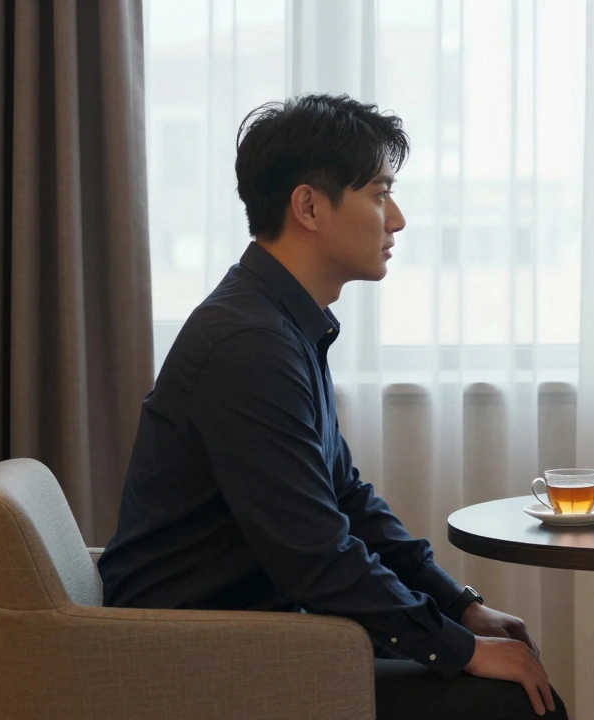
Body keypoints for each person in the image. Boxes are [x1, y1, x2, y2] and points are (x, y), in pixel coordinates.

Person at [99, 94, 566, 720]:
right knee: (514, 701)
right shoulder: (249, 345)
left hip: (253, 632)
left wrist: (459, 606)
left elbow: (346, 500)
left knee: (514, 686)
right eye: (379, 193)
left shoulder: (279, 326)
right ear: (309, 206)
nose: (396, 218)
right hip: (195, 658)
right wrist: (457, 648)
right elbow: (317, 556)